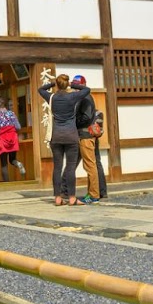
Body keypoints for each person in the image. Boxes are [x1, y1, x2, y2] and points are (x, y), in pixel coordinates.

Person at [39, 71, 87, 206]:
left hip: (56, 136)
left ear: (57, 85)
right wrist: (73, 85)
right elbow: (87, 90)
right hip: (71, 135)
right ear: (66, 85)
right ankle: (72, 198)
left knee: (57, 167)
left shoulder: (51, 97)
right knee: (71, 168)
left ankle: (57, 198)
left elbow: (40, 89)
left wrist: (53, 83)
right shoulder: (72, 96)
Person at [74, 75, 108, 203]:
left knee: (90, 165)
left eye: (77, 85)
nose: (75, 87)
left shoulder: (85, 97)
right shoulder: (82, 97)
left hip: (86, 136)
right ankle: (94, 193)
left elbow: (87, 117)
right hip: (86, 136)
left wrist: (75, 122)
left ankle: (93, 195)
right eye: (74, 84)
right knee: (91, 164)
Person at [0, 97, 25, 181]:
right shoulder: (12, 114)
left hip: (2, 140)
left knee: (4, 164)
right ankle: (18, 163)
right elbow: (18, 126)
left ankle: (6, 183)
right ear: (6, 104)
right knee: (12, 159)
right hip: (13, 139)